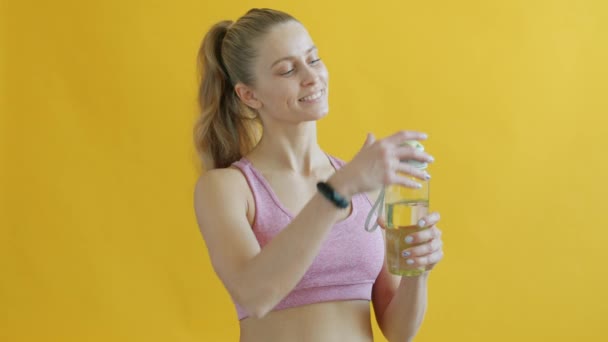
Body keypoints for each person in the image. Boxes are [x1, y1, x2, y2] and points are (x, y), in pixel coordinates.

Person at [193, 8, 444, 342]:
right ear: (248, 95)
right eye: (287, 70)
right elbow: (255, 295)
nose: (311, 77)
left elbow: (399, 332)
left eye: (313, 59)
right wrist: (341, 187)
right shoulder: (227, 188)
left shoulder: (361, 181)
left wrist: (417, 271)